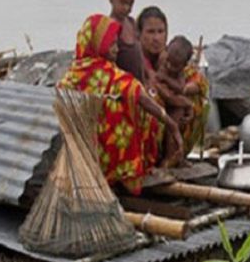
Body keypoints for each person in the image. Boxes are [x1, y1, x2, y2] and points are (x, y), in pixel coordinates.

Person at [58, 14, 183, 195]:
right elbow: (140, 96)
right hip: (106, 152)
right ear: (98, 44)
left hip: (81, 150)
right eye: (112, 45)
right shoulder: (107, 73)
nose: (117, 50)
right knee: (145, 114)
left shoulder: (73, 72)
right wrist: (171, 124)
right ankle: (127, 173)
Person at [153, 35, 210, 164]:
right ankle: (167, 157)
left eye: (174, 66)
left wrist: (167, 80)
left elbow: (180, 87)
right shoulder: (162, 62)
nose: (169, 66)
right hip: (160, 101)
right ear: (166, 50)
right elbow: (164, 92)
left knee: (177, 116)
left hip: (174, 102)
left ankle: (175, 156)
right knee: (172, 119)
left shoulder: (181, 73)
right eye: (168, 61)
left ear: (184, 65)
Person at [108, 0, 146, 83]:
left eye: (131, 3)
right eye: (122, 2)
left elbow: (140, 57)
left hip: (139, 85)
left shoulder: (132, 23)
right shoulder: (109, 28)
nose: (127, 8)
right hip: (124, 87)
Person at [137, 5, 168, 81]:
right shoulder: (133, 61)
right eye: (150, 32)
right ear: (139, 34)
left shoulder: (173, 56)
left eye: (160, 31)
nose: (156, 38)